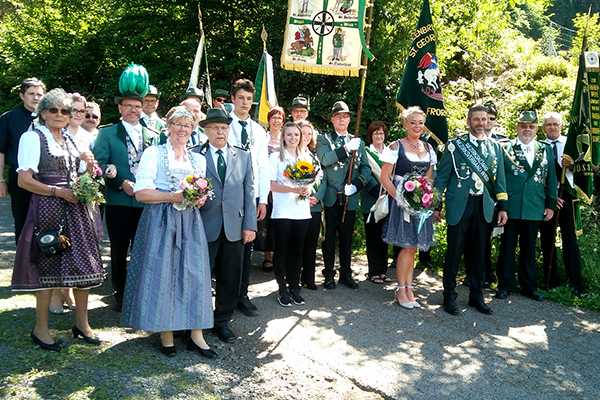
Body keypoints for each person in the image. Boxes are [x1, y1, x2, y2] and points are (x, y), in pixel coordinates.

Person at [11, 88, 104, 351]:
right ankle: (41, 329)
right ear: (42, 113)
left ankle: (82, 324)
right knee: (45, 268)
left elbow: (87, 174)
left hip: (76, 207)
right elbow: (24, 180)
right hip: (48, 207)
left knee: (85, 267)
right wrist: (57, 192)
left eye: (65, 110)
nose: (60, 115)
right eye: (53, 110)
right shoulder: (32, 138)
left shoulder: (72, 138)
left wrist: (88, 165)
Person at [121, 106, 215, 358]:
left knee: (194, 273)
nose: (183, 129)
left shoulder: (198, 159)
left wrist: (199, 199)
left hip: (190, 222)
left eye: (188, 125)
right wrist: (173, 196)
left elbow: (201, 194)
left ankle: (197, 334)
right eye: (178, 124)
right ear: (168, 127)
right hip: (160, 220)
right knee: (163, 272)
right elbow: (141, 193)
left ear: (193, 129)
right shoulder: (154, 153)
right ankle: (166, 333)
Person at [93, 64, 158, 311]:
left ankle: (141, 291)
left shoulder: (153, 133)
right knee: (119, 251)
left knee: (143, 250)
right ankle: (120, 294)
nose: (133, 110)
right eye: (128, 106)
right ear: (120, 108)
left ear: (143, 108)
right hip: (119, 201)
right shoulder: (107, 133)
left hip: (145, 201)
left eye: (137, 106)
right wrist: (119, 180)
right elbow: (99, 163)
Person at [434, 104, 508, 316]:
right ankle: (449, 296)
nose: (480, 123)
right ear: (468, 121)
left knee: (479, 254)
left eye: (484, 119)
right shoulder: (455, 146)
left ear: (489, 121)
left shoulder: (495, 147)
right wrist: (437, 205)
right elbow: (441, 178)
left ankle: (477, 296)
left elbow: (500, 180)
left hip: (484, 206)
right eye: (476, 119)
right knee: (454, 252)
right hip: (460, 205)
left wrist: (502, 207)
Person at [195, 108, 257, 343]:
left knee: (230, 277)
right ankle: (198, 322)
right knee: (200, 276)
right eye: (214, 127)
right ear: (206, 130)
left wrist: (250, 225)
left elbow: (249, 192)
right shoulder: (196, 155)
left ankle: (222, 321)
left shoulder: (242, 156)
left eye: (223, 128)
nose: (220, 132)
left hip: (235, 227)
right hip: (203, 226)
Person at [495, 111, 558, 301]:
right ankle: (504, 285)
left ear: (537, 128)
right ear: (517, 127)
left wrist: (550, 204)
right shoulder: (505, 147)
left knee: (529, 249)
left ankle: (528, 286)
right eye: (523, 126)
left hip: (534, 206)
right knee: (507, 248)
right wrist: (502, 206)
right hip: (511, 207)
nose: (527, 129)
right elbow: (501, 179)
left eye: (531, 126)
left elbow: (551, 178)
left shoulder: (545, 148)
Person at [380, 109, 437, 308]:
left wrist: (424, 197)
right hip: (401, 203)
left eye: (421, 123)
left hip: (420, 204)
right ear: (405, 124)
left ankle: (409, 287)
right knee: (406, 246)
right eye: (413, 122)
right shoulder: (395, 146)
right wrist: (400, 198)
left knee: (413, 248)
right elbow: (385, 177)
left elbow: (429, 178)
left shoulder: (429, 148)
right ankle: (401, 288)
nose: (417, 126)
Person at [316, 100, 374, 290]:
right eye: (339, 116)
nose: (342, 119)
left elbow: (365, 168)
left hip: (350, 197)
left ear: (350, 119)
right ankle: (329, 274)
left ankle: (346, 274)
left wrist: (357, 185)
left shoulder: (359, 142)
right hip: (332, 196)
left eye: (346, 116)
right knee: (330, 237)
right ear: (332, 119)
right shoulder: (324, 139)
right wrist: (346, 149)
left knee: (347, 237)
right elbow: (325, 160)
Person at [227, 78, 270, 316]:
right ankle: (227, 295)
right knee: (230, 248)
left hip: (252, 198)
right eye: (241, 98)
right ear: (233, 99)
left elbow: (263, 167)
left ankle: (242, 294)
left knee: (247, 248)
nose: (245, 103)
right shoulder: (224, 125)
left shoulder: (258, 131)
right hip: (230, 197)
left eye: (248, 99)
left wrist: (263, 199)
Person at [539, 112, 584, 295]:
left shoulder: (571, 144)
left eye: (555, 124)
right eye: (548, 124)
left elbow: (586, 169)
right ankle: (551, 280)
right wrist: (548, 197)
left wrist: (573, 164)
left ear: (561, 126)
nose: (552, 127)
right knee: (547, 239)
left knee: (570, 240)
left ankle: (576, 283)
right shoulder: (538, 146)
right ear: (543, 128)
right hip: (547, 197)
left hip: (568, 195)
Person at [269, 122, 313, 306]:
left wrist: (307, 190)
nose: (293, 138)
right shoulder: (275, 157)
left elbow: (310, 181)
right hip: (283, 211)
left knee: (297, 252)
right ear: (283, 137)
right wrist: (293, 190)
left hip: (302, 212)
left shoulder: (306, 157)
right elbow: (271, 186)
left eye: (296, 135)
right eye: (289, 135)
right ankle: (282, 288)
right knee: (282, 251)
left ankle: (295, 287)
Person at [0, 77, 46, 244]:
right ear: (22, 95)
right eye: (31, 93)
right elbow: (1, 151)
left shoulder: (51, 116)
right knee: (23, 220)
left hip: (48, 176)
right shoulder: (9, 118)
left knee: (47, 220)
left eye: (39, 94)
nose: (36, 97)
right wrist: (1, 180)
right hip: (20, 177)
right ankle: (23, 263)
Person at [255, 106, 285, 272]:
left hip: (283, 186)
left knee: (280, 221)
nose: (276, 120)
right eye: (273, 117)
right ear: (269, 119)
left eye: (279, 117)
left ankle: (280, 256)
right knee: (266, 222)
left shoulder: (286, 139)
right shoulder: (262, 139)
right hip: (265, 185)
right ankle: (267, 257)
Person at [362, 121, 391, 285]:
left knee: (384, 236)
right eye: (375, 133)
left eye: (381, 133)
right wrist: (378, 190)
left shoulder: (391, 152)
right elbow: (365, 173)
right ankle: (373, 271)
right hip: (371, 201)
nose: (379, 136)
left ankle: (383, 271)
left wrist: (389, 191)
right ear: (371, 136)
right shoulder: (366, 152)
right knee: (372, 236)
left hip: (389, 200)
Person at [299, 120, 324, 290]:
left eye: (310, 134)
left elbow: (324, 179)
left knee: (311, 243)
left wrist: (317, 196)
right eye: (303, 133)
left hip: (315, 205)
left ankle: (309, 277)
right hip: (298, 205)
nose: (306, 137)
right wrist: (305, 198)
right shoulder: (291, 154)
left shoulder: (315, 155)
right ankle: (294, 278)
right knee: (297, 243)